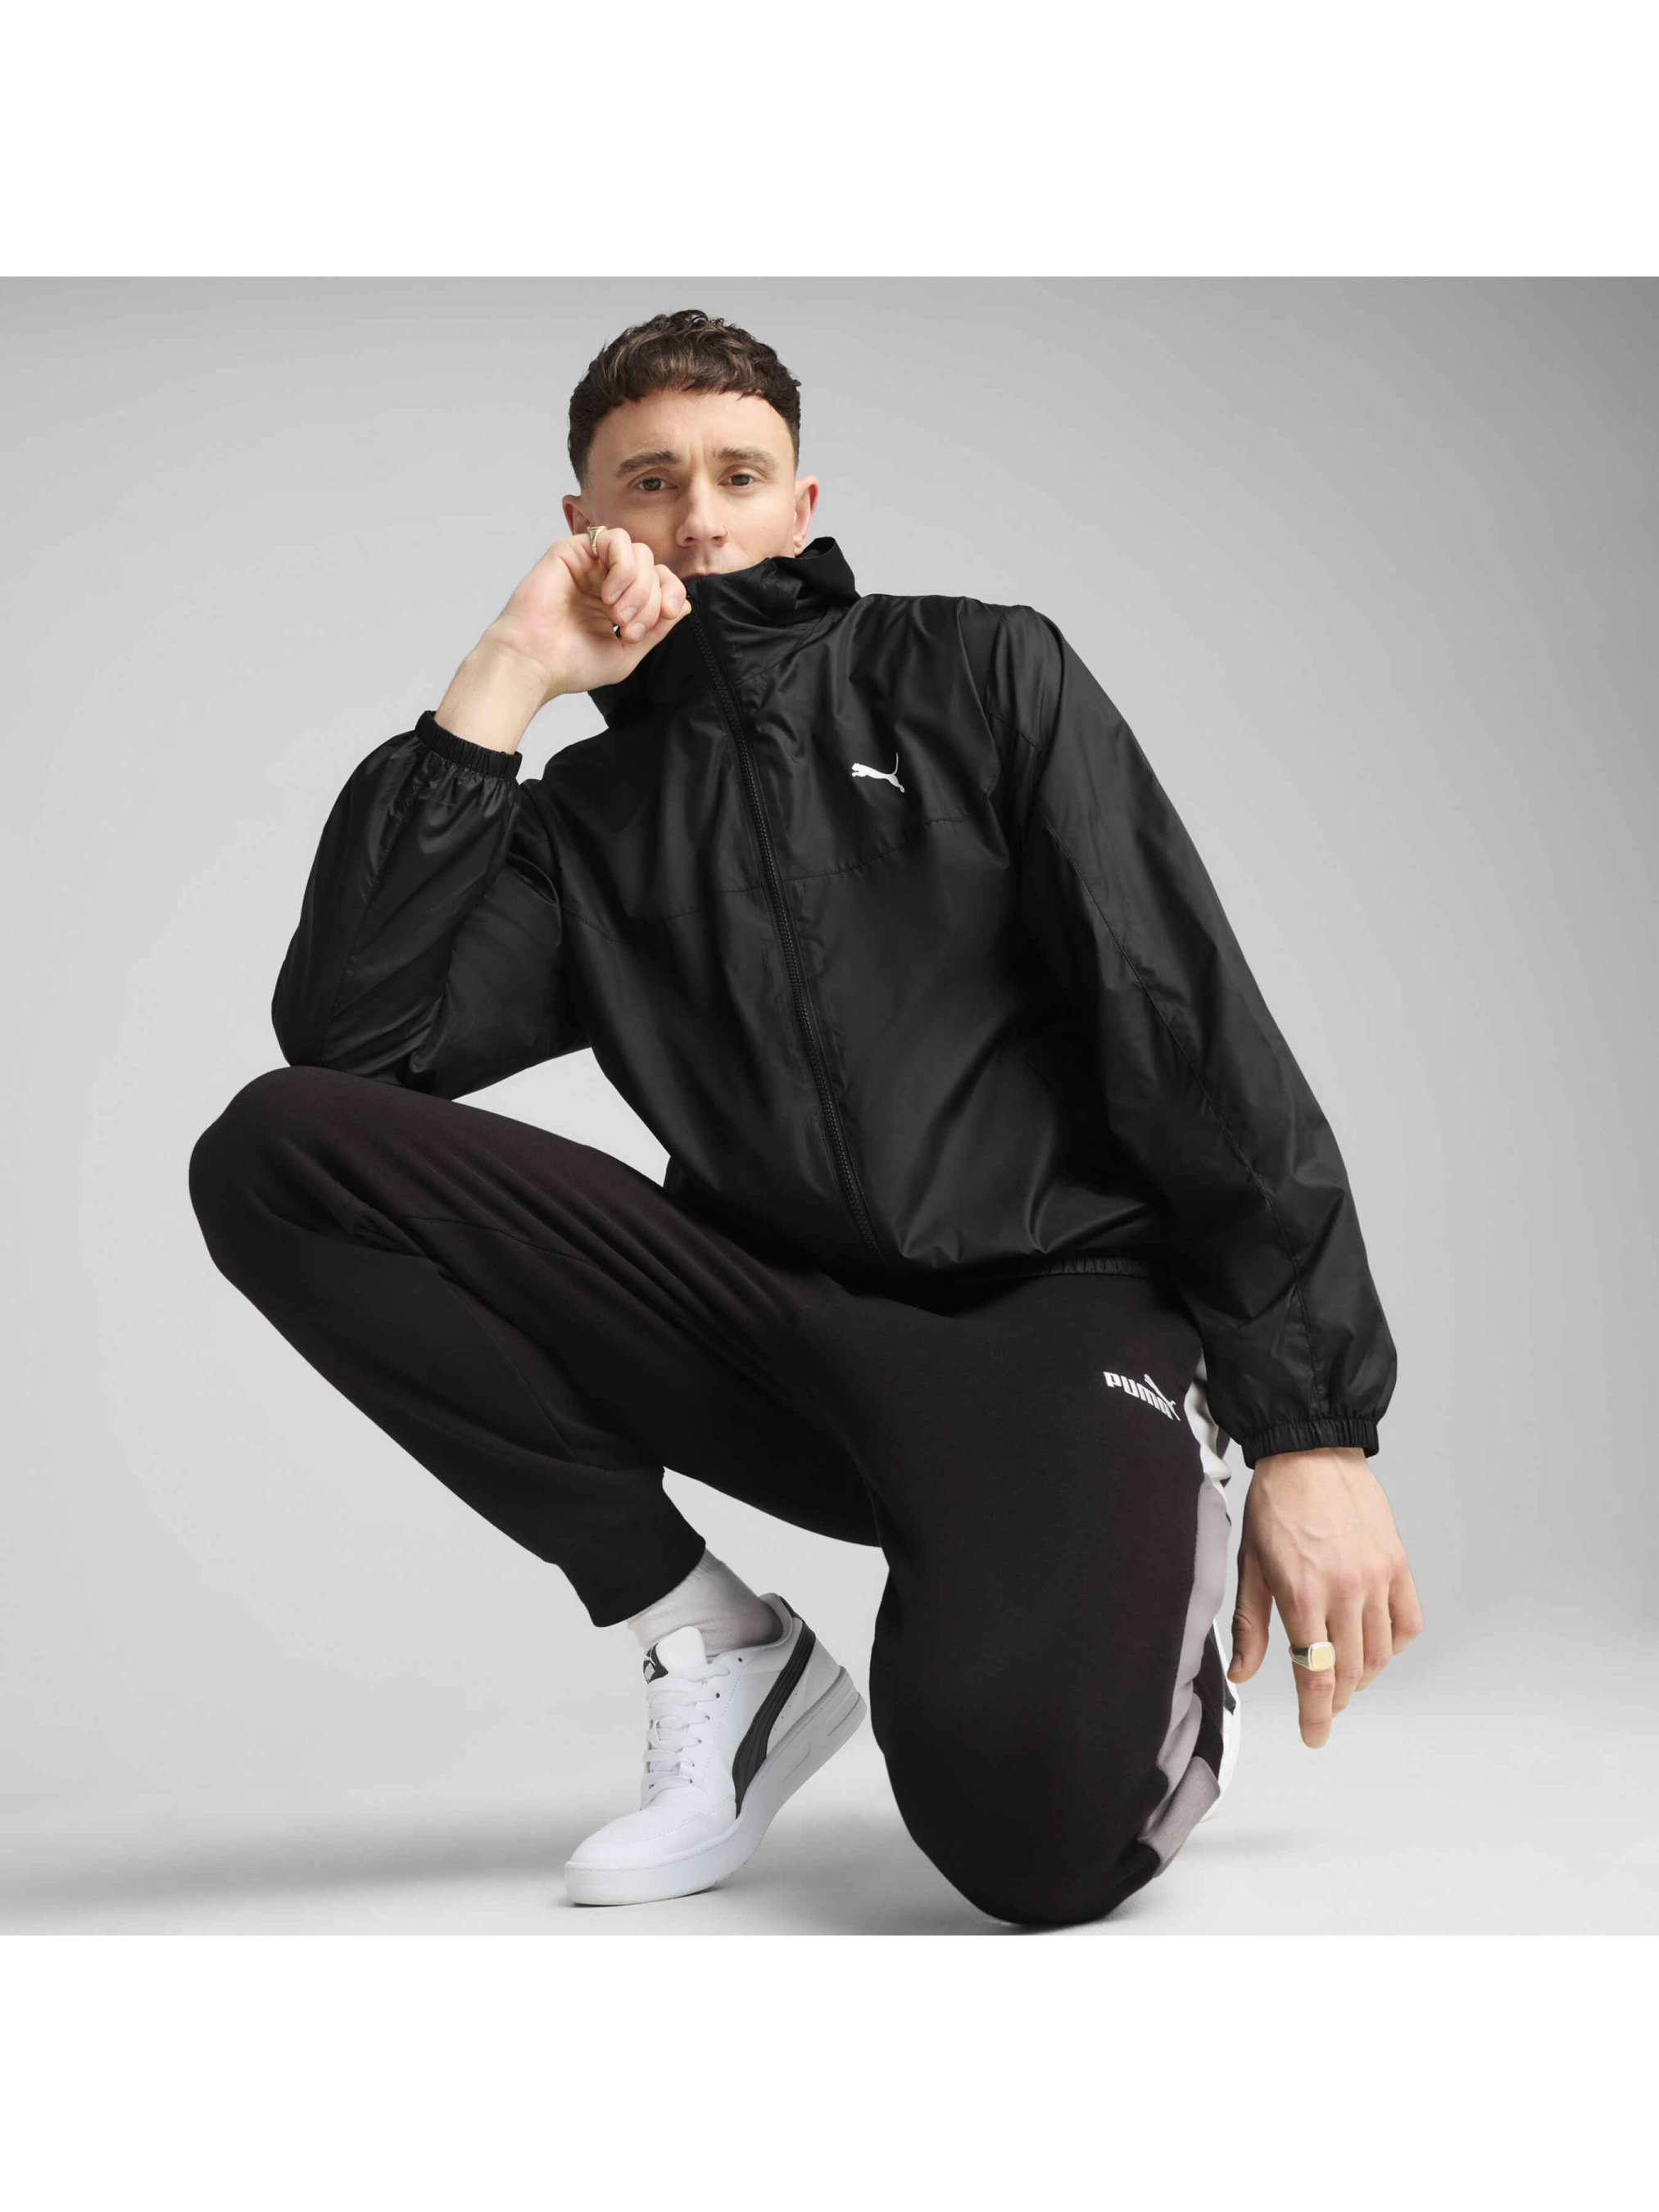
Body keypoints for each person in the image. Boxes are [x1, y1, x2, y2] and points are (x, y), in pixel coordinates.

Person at [188, 307, 1422, 1928]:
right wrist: (505, 678)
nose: (696, 519)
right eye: (648, 482)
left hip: (1048, 1327)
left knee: (1031, 1846)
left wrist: (1309, 1428)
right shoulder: (584, 823)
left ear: (801, 503)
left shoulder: (978, 674)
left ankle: (1114, 1635)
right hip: (774, 1334)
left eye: (736, 475)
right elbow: (353, 1040)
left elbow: (1183, 1028)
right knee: (280, 1149)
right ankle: (711, 1639)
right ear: (583, 521)